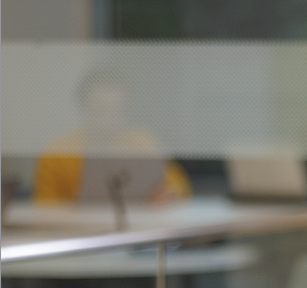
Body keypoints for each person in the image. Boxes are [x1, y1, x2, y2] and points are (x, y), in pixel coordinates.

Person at [31, 68, 190, 204]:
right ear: (83, 108)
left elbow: (179, 186)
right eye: (99, 110)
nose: (108, 120)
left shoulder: (143, 142)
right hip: (80, 230)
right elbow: (44, 212)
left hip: (137, 227)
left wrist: (168, 193)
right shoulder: (58, 153)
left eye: (117, 111)